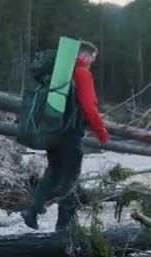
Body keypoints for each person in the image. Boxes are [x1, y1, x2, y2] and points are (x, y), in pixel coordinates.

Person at [22, 40, 109, 232]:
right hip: (71, 134)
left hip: (52, 129)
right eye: (92, 59)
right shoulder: (82, 72)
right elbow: (88, 106)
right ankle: (64, 225)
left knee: (53, 174)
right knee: (71, 178)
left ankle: (33, 212)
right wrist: (101, 131)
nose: (92, 62)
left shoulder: (60, 74)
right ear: (86, 55)